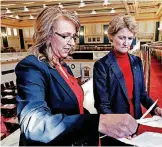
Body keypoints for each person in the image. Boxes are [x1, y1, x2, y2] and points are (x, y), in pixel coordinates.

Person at [15, 6, 138, 146]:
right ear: (46, 34)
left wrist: (107, 123)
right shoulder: (32, 66)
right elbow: (34, 124)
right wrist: (98, 123)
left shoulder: (63, 66)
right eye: (65, 36)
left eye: (73, 37)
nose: (72, 43)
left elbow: (75, 108)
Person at [93, 14, 162, 145]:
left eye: (130, 38)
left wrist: (155, 109)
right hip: (114, 130)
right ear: (111, 36)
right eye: (121, 37)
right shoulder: (101, 66)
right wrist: (119, 128)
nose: (126, 43)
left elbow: (142, 94)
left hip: (135, 124)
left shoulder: (137, 62)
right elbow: (102, 105)